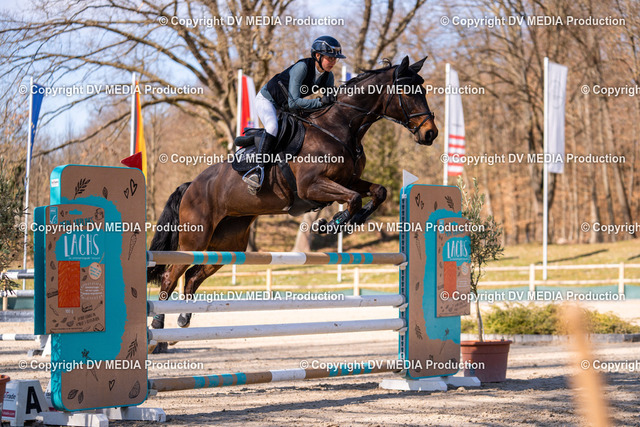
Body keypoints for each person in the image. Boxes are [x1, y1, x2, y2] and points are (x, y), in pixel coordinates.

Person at [243, 35, 347, 194]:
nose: (333, 62)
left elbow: (329, 104)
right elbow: (294, 102)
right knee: (272, 127)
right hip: (268, 100)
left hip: (286, 106)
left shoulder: (328, 76)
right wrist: (320, 101)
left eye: (335, 59)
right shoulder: (302, 68)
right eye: (330, 58)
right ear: (317, 56)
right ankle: (257, 170)